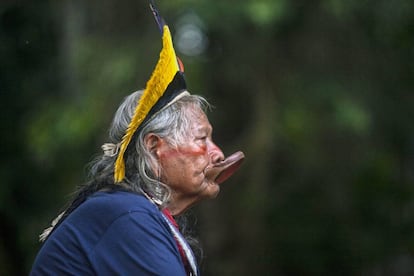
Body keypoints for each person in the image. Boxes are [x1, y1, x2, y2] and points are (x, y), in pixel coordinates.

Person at [30, 2, 244, 275]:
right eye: (202, 139)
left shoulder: (133, 213)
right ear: (154, 146)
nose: (217, 154)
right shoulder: (126, 215)